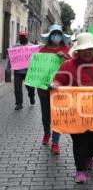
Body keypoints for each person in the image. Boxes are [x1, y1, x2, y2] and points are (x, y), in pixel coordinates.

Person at [52, 32, 93, 183]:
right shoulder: (68, 65)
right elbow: (58, 79)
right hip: (76, 113)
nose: (87, 52)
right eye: (84, 49)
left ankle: (89, 156)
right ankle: (80, 170)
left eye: (90, 49)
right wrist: (55, 85)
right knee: (80, 142)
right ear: (77, 50)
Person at [38, 24, 71, 155]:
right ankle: (47, 133)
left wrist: (65, 57)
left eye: (58, 34)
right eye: (53, 34)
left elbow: (72, 63)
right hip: (44, 88)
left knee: (57, 115)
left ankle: (55, 143)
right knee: (46, 115)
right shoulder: (42, 50)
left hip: (59, 88)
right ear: (50, 36)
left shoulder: (65, 49)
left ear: (61, 36)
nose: (55, 36)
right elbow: (37, 66)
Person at [8, 31, 36, 110]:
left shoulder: (32, 47)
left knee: (30, 88)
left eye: (24, 36)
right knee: (17, 88)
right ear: (19, 37)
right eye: (21, 36)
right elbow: (11, 59)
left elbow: (37, 58)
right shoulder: (15, 47)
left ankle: (31, 97)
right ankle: (19, 103)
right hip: (18, 72)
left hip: (29, 72)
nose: (23, 38)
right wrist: (8, 68)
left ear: (27, 37)